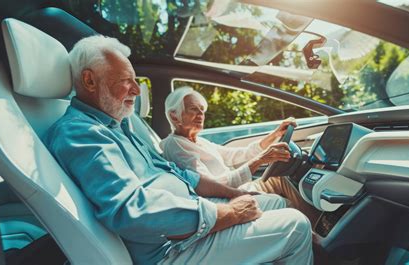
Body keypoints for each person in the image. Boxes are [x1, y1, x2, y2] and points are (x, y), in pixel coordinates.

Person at [44, 35, 313, 265]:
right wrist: (226, 213)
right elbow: (131, 210)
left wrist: (234, 194)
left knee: (276, 202)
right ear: (90, 81)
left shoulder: (119, 126)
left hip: (191, 215)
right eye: (127, 80)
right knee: (296, 225)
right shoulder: (81, 133)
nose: (137, 90)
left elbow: (181, 175)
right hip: (169, 248)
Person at [160, 87, 320, 221]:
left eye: (202, 110)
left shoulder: (199, 141)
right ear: (174, 115)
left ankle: (317, 228)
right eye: (194, 109)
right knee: (284, 203)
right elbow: (212, 185)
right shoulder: (174, 145)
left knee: (280, 178)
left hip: (236, 187)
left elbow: (236, 154)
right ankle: (315, 240)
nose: (201, 114)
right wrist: (261, 159)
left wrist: (275, 135)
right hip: (225, 197)